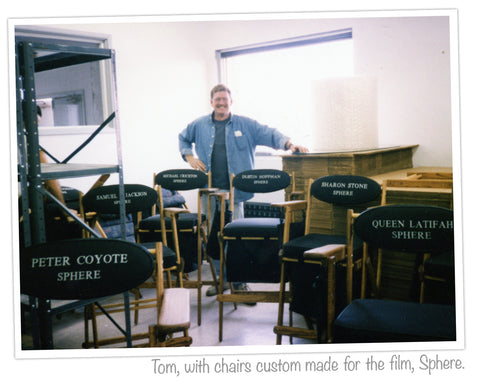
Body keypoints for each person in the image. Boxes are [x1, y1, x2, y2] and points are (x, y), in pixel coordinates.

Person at [179, 84, 308, 297]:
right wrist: (189, 156)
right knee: (215, 238)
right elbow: (183, 137)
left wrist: (289, 144)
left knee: (236, 237)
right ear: (211, 102)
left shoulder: (245, 124)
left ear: (231, 101)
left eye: (225, 100)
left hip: (235, 193)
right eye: (217, 100)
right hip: (209, 192)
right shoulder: (199, 125)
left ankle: (239, 282)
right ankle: (222, 281)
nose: (221, 103)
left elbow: (270, 133)